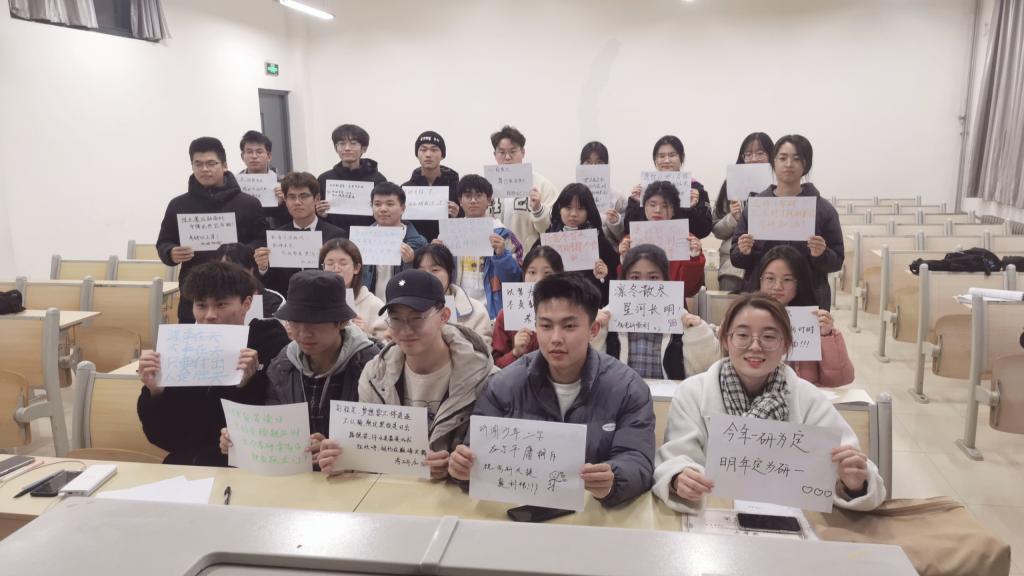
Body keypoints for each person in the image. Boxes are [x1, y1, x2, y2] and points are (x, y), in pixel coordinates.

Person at [651, 293, 885, 513]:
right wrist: (679, 477)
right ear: (726, 340)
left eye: (769, 337)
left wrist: (854, 483)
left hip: (793, 521)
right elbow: (675, 458)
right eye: (743, 335)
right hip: (712, 515)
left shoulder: (807, 398)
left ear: (786, 345)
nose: (755, 346)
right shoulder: (693, 392)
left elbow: (852, 465)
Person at [448, 273, 655, 507]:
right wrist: (464, 469)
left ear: (593, 329)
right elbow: (475, 453)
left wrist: (613, 480)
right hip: (517, 513)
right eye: (546, 326)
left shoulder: (627, 388)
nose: (556, 338)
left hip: (592, 515)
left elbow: (638, 459)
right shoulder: (504, 385)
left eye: (569, 326)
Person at [317, 270, 496, 480]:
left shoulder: (484, 378)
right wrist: (345, 460)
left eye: (416, 318)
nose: (405, 330)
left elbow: (489, 460)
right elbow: (370, 450)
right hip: (392, 493)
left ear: (444, 316)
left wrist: (456, 469)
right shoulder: (375, 375)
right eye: (396, 319)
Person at [218, 270, 381, 466]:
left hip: (354, 477)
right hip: (295, 476)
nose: (304, 334)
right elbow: (273, 424)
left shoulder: (372, 366)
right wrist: (241, 439)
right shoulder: (282, 365)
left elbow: (380, 437)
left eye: (315, 323)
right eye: (295, 323)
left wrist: (342, 450)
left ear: (341, 322)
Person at [136, 261, 290, 466]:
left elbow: (274, 426)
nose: (210, 315)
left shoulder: (270, 343)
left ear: (246, 304)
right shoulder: (179, 346)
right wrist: (156, 392)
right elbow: (164, 438)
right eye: (201, 305)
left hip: (246, 466)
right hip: (187, 464)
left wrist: (247, 385)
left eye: (221, 305)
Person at [157, 137, 267, 323]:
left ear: (224, 165)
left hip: (236, 291)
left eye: (211, 163)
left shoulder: (248, 203)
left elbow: (261, 240)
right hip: (194, 293)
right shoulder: (178, 204)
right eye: (198, 164)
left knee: (240, 339)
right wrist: (171, 252)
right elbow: (164, 242)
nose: (204, 169)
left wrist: (239, 252)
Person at [731, 135, 844, 309]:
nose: (789, 164)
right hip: (760, 299)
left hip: (808, 301)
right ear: (773, 162)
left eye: (796, 159)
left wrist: (821, 253)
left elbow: (836, 261)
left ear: (806, 165)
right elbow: (736, 258)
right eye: (783, 158)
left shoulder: (823, 210)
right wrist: (743, 251)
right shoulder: (757, 207)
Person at [593, 244, 718, 379]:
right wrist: (594, 331)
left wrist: (698, 333)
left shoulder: (681, 319)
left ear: (665, 280)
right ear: (624, 280)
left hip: (668, 392)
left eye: (653, 277)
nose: (644, 285)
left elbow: (702, 371)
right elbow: (590, 367)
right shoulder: (608, 317)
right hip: (620, 390)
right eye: (635, 277)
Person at [754, 245, 854, 387]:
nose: (777, 287)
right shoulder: (744, 318)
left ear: (799, 282)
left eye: (787, 280)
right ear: (760, 280)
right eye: (770, 278)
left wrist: (826, 336)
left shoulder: (813, 322)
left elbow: (840, 379)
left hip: (802, 398)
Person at [438, 174, 523, 318]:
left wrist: (502, 255)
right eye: (467, 196)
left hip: (492, 307)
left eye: (478, 195)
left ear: (489, 200)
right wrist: (435, 252)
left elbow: (516, 278)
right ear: (460, 200)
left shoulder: (503, 234)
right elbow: (438, 272)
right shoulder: (449, 233)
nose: (473, 201)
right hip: (457, 306)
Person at [254, 172, 347, 297]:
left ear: (317, 198)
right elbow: (270, 285)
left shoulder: (336, 235)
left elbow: (344, 277)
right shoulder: (277, 236)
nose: (297, 202)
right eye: (292, 197)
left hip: (325, 301)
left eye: (304, 196)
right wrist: (263, 268)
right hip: (287, 303)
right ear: (285, 200)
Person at [618, 181, 706, 297]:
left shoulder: (687, 239)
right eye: (652, 204)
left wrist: (694, 258)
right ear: (644, 207)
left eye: (665, 206)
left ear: (674, 210)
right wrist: (624, 259)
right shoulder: (631, 240)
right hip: (637, 303)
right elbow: (622, 288)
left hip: (672, 303)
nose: (658, 210)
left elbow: (689, 290)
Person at [712, 132, 774, 292]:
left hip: (771, 261)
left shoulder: (779, 184)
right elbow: (717, 231)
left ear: (771, 155)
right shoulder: (732, 182)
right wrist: (732, 218)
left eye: (760, 153)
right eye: (748, 154)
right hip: (733, 266)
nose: (753, 158)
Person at [541, 183, 620, 305]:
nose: (573, 214)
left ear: (589, 211)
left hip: (589, 305)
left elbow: (615, 285)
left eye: (580, 208)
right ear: (559, 209)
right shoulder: (548, 240)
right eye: (568, 207)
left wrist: (604, 277)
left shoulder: (600, 243)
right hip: (553, 304)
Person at [625, 135, 713, 239]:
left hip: (683, 246)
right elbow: (628, 229)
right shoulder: (643, 190)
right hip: (650, 246)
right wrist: (637, 204)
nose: (666, 160)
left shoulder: (695, 190)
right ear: (655, 160)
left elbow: (704, 230)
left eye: (672, 155)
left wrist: (690, 209)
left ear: (681, 157)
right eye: (661, 156)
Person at [491, 245, 563, 368]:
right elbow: (496, 367)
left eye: (547, 273)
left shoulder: (568, 311)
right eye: (532, 272)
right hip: (518, 378)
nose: (539, 279)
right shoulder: (506, 315)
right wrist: (515, 352)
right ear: (524, 275)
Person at [489, 125, 558, 251]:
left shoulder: (542, 185)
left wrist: (538, 209)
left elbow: (551, 230)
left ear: (523, 152)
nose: (507, 157)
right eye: (502, 152)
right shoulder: (487, 187)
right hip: (495, 258)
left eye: (513, 151)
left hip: (529, 258)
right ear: (495, 154)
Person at [413, 243, 493, 346]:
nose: (428, 276)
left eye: (435, 270)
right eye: (421, 271)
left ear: (450, 272)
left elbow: (484, 351)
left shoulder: (477, 310)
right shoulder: (404, 308)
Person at [359, 182, 429, 299]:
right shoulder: (361, 238)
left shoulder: (419, 243)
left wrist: (410, 262)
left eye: (390, 204)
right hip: (369, 303)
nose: (383, 209)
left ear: (403, 208)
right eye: (377, 204)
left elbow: (423, 280)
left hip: (402, 303)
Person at [316, 124, 387, 231]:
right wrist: (322, 214)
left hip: (368, 235)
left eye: (353, 143)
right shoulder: (324, 179)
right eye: (341, 143)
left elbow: (385, 213)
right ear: (336, 148)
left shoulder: (378, 179)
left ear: (364, 148)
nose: (347, 148)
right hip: (334, 237)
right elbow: (318, 219)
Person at [319, 238, 387, 340]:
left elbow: (388, 344)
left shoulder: (374, 304)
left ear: (356, 268)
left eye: (343, 264)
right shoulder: (314, 301)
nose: (336, 269)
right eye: (330, 264)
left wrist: (364, 334)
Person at [403, 130, 461, 242]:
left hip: (447, 247)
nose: (428, 154)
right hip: (415, 248)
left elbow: (468, 221)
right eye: (423, 149)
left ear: (442, 155)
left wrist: (458, 214)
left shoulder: (457, 188)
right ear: (417, 154)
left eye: (434, 150)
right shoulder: (406, 189)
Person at [579, 141, 629, 246]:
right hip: (581, 249)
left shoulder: (618, 196)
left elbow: (625, 236)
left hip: (610, 252)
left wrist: (615, 222)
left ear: (607, 165)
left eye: (599, 162)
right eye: (588, 162)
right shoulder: (572, 195)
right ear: (581, 165)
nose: (594, 167)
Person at [216, 243, 284, 319]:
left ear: (251, 269)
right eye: (222, 270)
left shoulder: (273, 302)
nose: (228, 276)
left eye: (236, 270)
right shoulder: (208, 299)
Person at [238, 130, 287, 229]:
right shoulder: (235, 184)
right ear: (242, 156)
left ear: (269, 156)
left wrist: (284, 202)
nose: (254, 156)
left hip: (276, 234)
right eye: (249, 152)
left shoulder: (284, 183)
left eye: (259, 152)